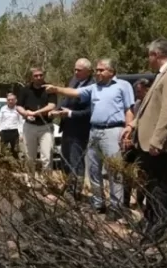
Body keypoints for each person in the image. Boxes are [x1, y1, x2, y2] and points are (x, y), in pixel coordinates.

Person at [45, 58, 134, 221]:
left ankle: (116, 207)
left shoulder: (123, 86)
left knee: (114, 170)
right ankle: (98, 203)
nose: (98, 72)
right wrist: (56, 89)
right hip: (94, 131)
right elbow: (75, 93)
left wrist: (129, 129)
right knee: (93, 169)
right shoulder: (94, 88)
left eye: (101, 70)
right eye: (97, 70)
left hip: (113, 130)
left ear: (111, 72)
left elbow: (129, 109)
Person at [121, 38, 167, 242]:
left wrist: (158, 141)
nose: (148, 60)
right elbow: (150, 108)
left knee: (159, 187)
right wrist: (133, 125)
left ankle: (159, 228)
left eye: (149, 56)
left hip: (157, 145)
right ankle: (151, 222)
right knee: (150, 185)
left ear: (156, 55)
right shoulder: (162, 75)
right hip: (147, 142)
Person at [49, 58, 94, 201]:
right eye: (75, 69)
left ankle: (76, 192)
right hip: (67, 128)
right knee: (66, 160)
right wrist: (57, 110)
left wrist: (69, 113)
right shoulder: (73, 81)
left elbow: (89, 112)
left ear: (88, 71)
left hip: (80, 130)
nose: (76, 72)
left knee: (76, 162)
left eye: (79, 70)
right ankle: (69, 186)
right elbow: (65, 101)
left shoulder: (92, 86)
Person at [16, 67, 57, 171]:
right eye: (36, 76)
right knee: (30, 157)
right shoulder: (25, 90)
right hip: (30, 126)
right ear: (32, 77)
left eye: (40, 75)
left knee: (47, 157)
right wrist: (25, 113)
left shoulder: (49, 89)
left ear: (43, 76)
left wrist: (35, 113)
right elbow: (19, 106)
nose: (38, 77)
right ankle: (30, 182)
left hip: (46, 127)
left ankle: (48, 183)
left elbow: (52, 105)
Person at [123, 78, 150, 209]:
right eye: (136, 92)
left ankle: (140, 201)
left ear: (148, 90)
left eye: (139, 91)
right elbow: (132, 120)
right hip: (132, 143)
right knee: (126, 172)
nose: (137, 94)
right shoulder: (137, 104)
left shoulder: (153, 104)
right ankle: (125, 202)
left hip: (144, 145)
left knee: (142, 176)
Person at [0, 92, 24, 158]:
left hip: (14, 132)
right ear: (6, 101)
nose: (10, 101)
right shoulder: (3, 109)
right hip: (4, 132)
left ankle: (15, 166)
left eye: (12, 100)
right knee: (3, 151)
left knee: (15, 151)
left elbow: (20, 122)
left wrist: (21, 134)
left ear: (15, 100)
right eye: (9, 100)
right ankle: (1, 165)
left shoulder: (18, 109)